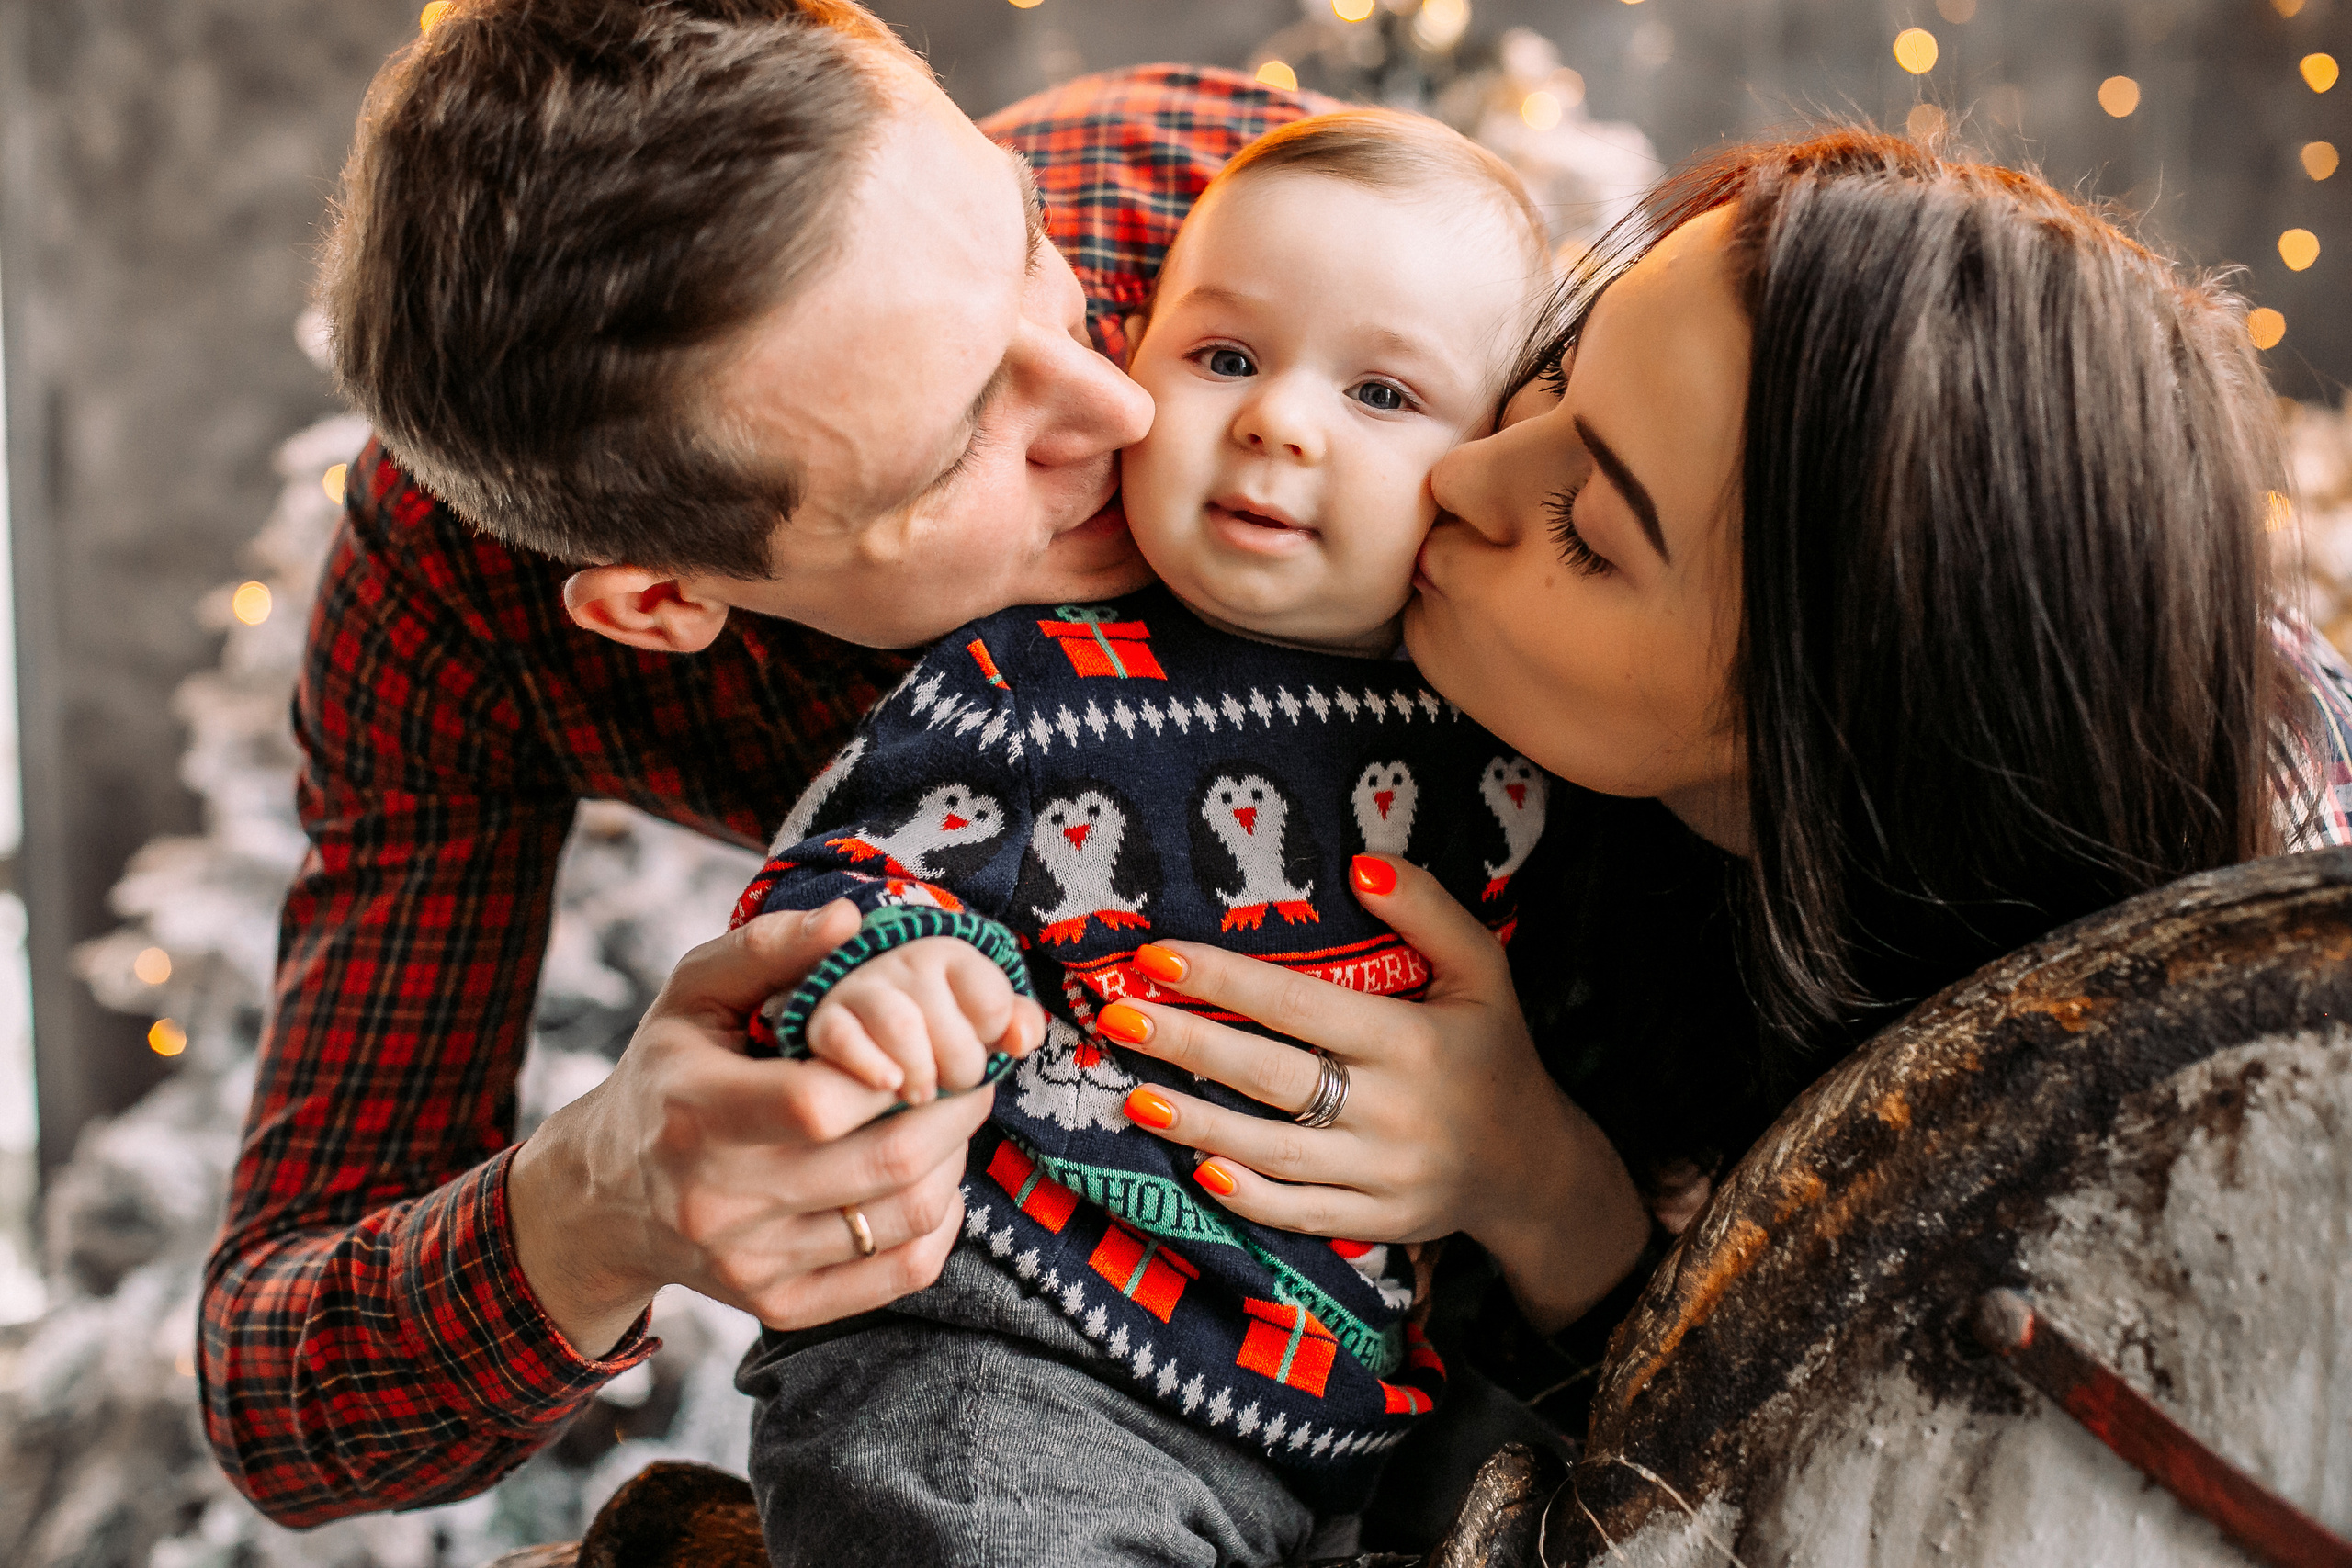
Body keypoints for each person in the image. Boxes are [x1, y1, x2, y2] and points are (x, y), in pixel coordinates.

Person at [1049, 129, 2352, 1543]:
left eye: (1590, 531)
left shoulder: (2198, 1087)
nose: (1467, 476)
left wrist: (1544, 1188)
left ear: (1823, 738)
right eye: (1554, 372)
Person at [200, 0, 1331, 1525]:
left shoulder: (1240, 201)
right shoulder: (456, 610)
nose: (1123, 403)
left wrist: (1535, 1161)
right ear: (659, 602)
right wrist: (599, 1203)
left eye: (1030, 251)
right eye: (959, 452)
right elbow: (276, 1400)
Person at [714, 110, 1599, 1564]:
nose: (1277, 421)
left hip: (1344, 1424)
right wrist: (884, 977)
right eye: (1226, 358)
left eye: (1381, 392)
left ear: (1493, 461)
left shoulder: (1513, 735)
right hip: (1011, 1364)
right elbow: (846, 876)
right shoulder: (1028, 684)